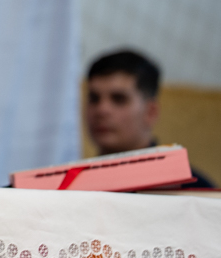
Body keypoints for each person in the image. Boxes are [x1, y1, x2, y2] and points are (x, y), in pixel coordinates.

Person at [86, 49, 214, 187]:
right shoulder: (72, 186)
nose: (102, 110)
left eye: (119, 99)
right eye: (94, 99)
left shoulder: (192, 193)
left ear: (150, 112)